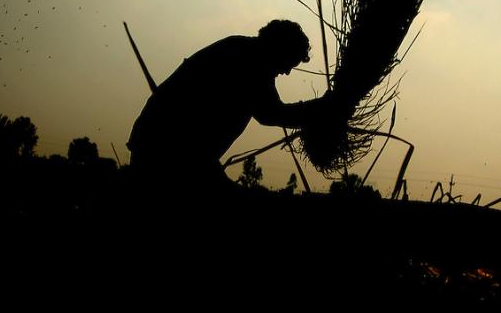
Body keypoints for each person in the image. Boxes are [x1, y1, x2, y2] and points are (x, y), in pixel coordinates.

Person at [127, 19, 342, 194]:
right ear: (279, 48)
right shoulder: (250, 59)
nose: (286, 72)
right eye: (289, 63)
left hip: (181, 151)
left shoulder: (243, 50)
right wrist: (320, 109)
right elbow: (271, 113)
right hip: (169, 151)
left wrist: (317, 110)